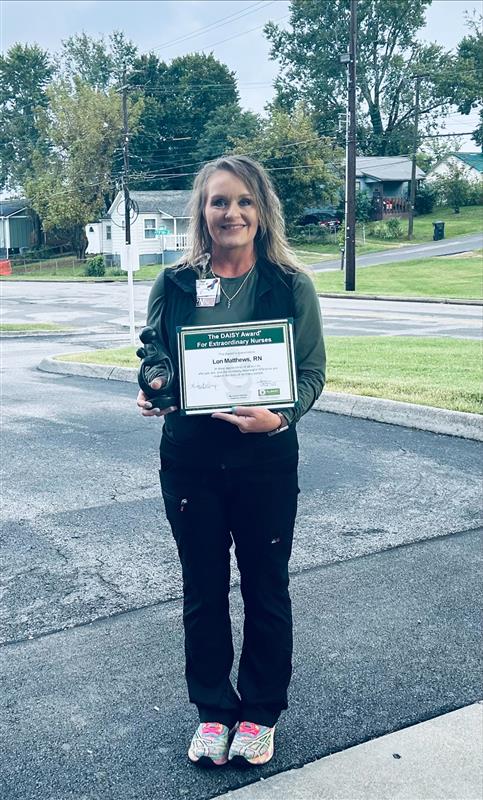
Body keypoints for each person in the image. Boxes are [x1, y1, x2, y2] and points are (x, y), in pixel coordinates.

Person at [137, 155, 326, 768]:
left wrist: (283, 415)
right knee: (203, 590)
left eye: (244, 201)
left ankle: (261, 712)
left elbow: (313, 373)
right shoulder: (175, 283)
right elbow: (155, 355)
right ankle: (214, 710)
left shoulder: (289, 285)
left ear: (261, 209)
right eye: (219, 202)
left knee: (266, 588)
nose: (232, 213)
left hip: (265, 459)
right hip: (192, 461)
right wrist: (155, 388)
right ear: (203, 212)